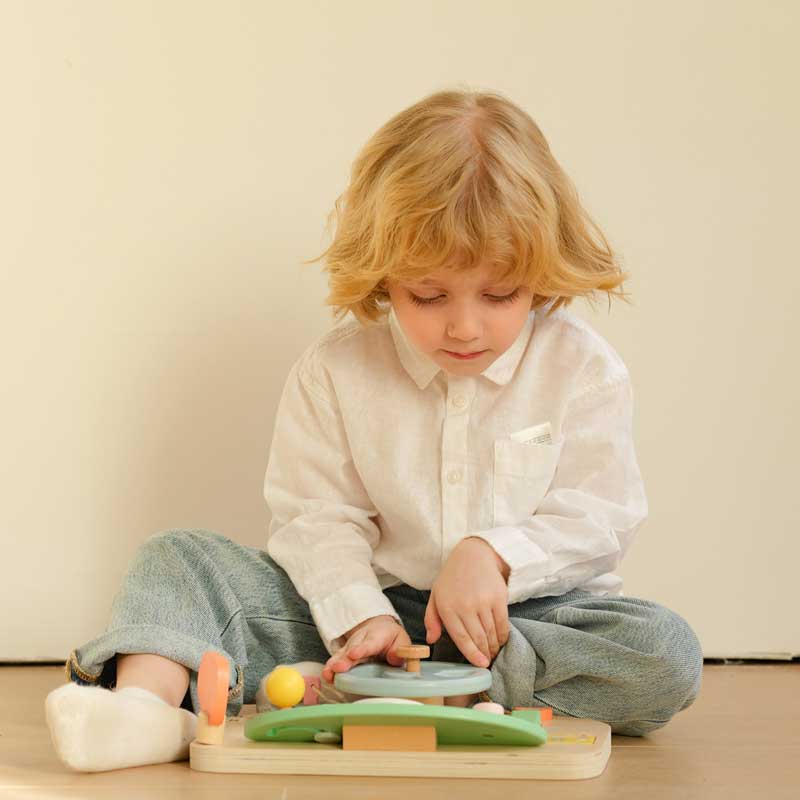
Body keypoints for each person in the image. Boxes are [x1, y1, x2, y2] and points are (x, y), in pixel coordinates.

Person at [45, 87, 703, 772]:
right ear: (384, 276)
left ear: (540, 274)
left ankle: (430, 691)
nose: (465, 326)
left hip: (521, 623)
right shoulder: (335, 371)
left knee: (664, 651)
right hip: (363, 616)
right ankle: (146, 709)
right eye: (429, 295)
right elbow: (316, 519)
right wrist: (361, 617)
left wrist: (495, 555)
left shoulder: (583, 368)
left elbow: (600, 515)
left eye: (499, 294)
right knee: (179, 558)